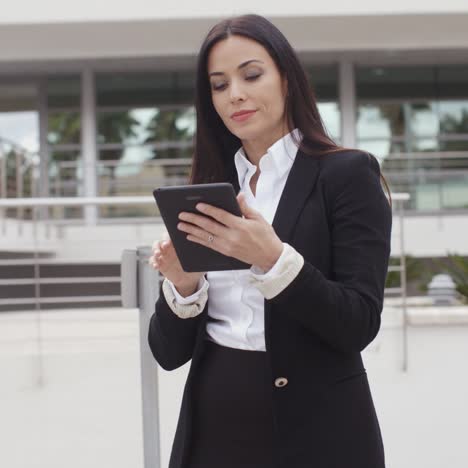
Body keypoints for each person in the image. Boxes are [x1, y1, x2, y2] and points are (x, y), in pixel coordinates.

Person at [148, 13, 392, 468]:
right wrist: (183, 285)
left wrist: (273, 259)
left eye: (251, 74)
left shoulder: (348, 174)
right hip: (211, 432)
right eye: (218, 85)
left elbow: (358, 323)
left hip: (318, 435)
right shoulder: (209, 189)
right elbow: (167, 353)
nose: (235, 94)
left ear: (287, 78)